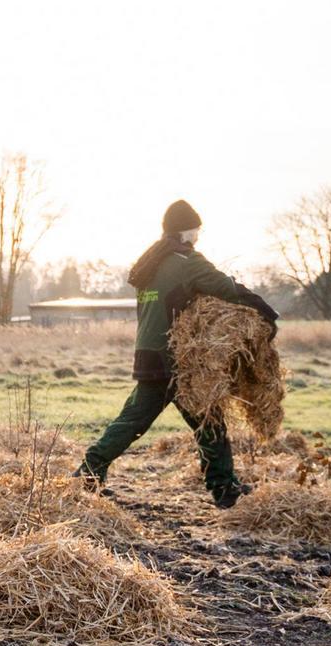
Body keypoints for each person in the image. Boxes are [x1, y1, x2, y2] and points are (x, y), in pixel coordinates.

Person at [76, 200, 279, 508]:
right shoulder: (185, 261)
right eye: (197, 229)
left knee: (143, 421)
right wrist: (264, 309)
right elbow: (225, 286)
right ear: (187, 230)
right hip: (176, 361)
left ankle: (87, 475)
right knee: (204, 422)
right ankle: (223, 489)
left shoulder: (150, 263)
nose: (199, 235)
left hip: (148, 353)